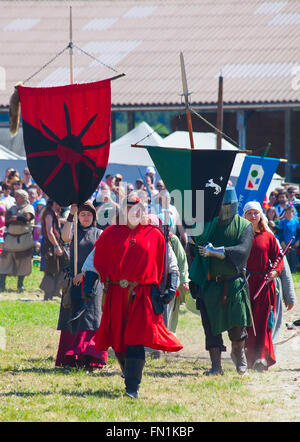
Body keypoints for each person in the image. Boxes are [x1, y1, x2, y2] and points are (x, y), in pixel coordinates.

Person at [81, 193, 183, 399]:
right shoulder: (109, 234)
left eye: (137, 209)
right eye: (128, 208)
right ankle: (129, 372)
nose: (133, 212)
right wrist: (89, 283)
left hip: (142, 294)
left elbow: (170, 264)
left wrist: (171, 287)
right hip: (116, 294)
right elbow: (94, 261)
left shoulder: (155, 235)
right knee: (118, 341)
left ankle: (132, 386)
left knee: (135, 339)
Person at [193, 186, 254, 376]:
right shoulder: (206, 226)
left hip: (233, 283)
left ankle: (240, 358)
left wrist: (217, 252)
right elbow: (195, 247)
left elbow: (243, 252)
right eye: (221, 204)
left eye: (227, 205)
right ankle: (216, 366)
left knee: (237, 326)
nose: (224, 208)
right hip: (211, 284)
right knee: (211, 328)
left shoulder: (244, 226)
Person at [55, 201, 107, 370]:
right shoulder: (74, 232)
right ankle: (71, 357)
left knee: (90, 318)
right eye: (82, 214)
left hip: (91, 282)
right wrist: (71, 213)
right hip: (73, 282)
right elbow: (64, 237)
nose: (86, 217)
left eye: (89, 215)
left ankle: (89, 357)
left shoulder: (99, 234)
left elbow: (100, 258)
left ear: (93, 217)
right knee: (72, 316)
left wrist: (84, 273)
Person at [243, 201, 284, 371]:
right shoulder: (240, 235)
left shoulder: (268, 236)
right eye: (249, 213)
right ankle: (246, 358)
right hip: (245, 284)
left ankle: (261, 357)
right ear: (244, 216)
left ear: (261, 215)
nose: (253, 216)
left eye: (256, 213)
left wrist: (274, 272)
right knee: (246, 323)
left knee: (262, 322)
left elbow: (278, 258)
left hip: (264, 284)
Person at [0, 189, 35, 293]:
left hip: (23, 241)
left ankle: (20, 285)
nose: (15, 198)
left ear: (23, 197)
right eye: (15, 196)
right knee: (4, 263)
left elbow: (26, 219)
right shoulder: (12, 208)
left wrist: (16, 219)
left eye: (17, 196)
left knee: (23, 263)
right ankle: (2, 285)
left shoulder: (29, 208)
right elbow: (7, 220)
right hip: (10, 240)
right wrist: (16, 219)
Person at [39, 200, 68, 301]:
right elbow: (49, 232)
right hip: (50, 245)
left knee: (64, 266)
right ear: (55, 203)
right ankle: (48, 295)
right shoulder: (48, 214)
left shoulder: (54, 214)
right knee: (50, 269)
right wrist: (56, 246)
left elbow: (58, 222)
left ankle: (56, 290)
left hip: (55, 244)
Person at [277, 205, 300, 273]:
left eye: (290, 212)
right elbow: (280, 233)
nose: (289, 213)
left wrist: (298, 240)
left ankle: (293, 270)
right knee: (286, 258)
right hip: (285, 244)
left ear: (293, 213)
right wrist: (282, 241)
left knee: (294, 257)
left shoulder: (296, 222)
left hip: (294, 243)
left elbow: (298, 232)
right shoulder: (282, 222)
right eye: (287, 212)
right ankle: (287, 271)